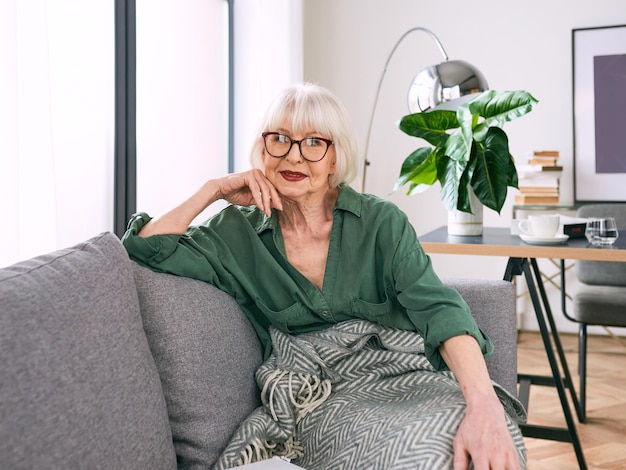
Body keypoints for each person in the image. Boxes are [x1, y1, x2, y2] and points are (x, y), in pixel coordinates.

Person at [122, 82, 525, 469]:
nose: (293, 156)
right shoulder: (236, 232)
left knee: (478, 440)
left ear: (335, 158)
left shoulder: (380, 222)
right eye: (279, 138)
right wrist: (213, 190)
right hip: (323, 400)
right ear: (262, 148)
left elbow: (440, 309)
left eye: (314, 142)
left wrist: (483, 404)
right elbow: (143, 248)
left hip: (409, 378)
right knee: (426, 457)